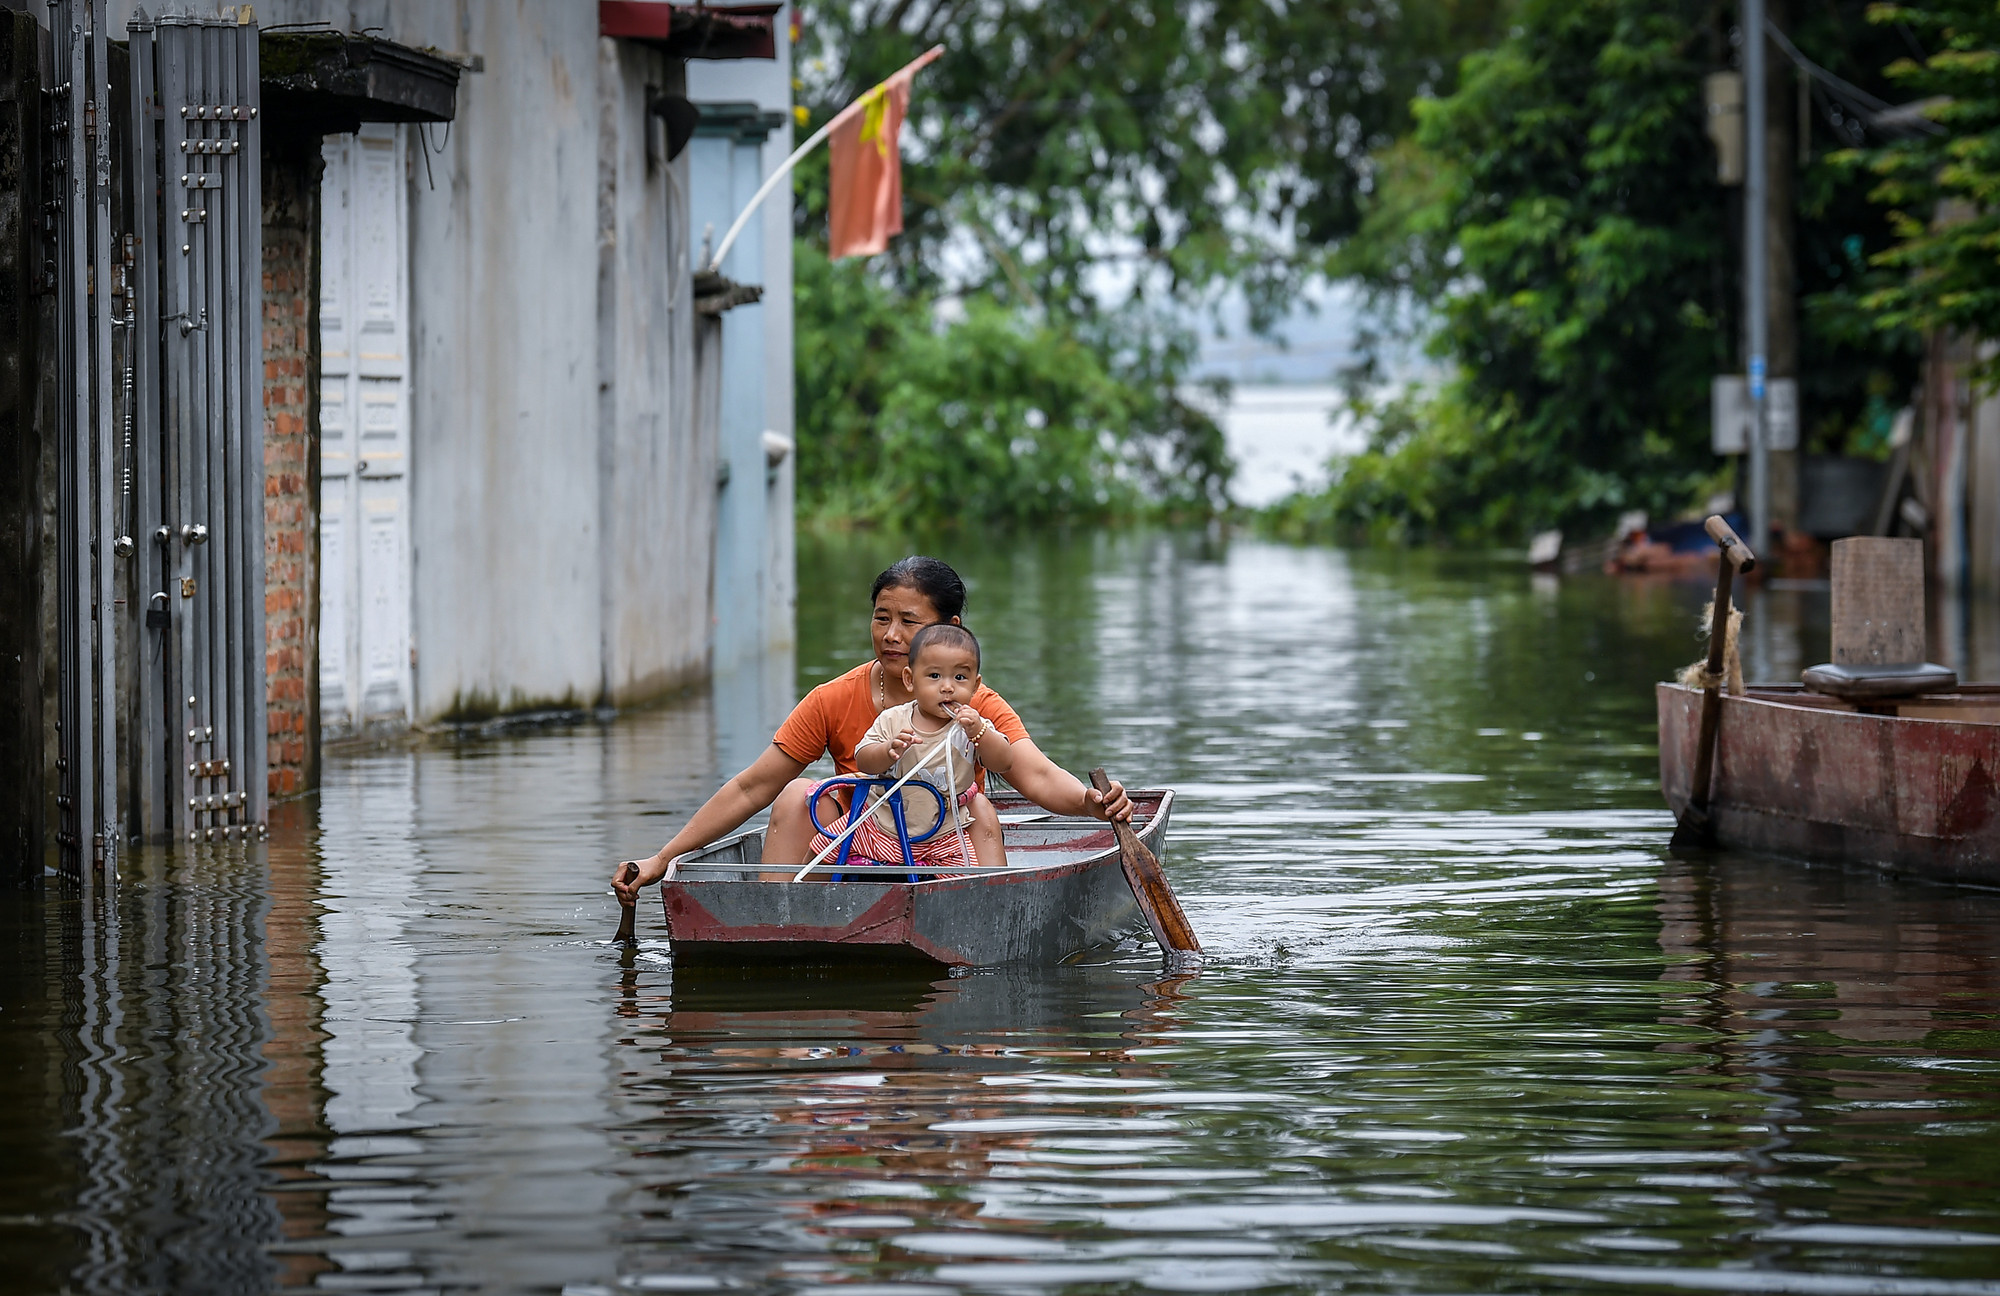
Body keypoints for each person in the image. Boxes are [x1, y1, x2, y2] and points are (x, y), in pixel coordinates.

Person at [612, 556, 1130, 904]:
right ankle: (773, 920)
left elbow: (1033, 773)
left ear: (947, 626)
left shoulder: (977, 704)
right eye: (882, 618)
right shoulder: (834, 698)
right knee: (795, 794)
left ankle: (982, 914)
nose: (891, 635)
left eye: (908, 621)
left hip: (943, 850)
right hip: (863, 848)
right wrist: (663, 858)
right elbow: (753, 786)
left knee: (982, 806)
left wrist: (1092, 804)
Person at [843, 622, 1011, 871]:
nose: (947, 687)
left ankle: (988, 897)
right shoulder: (894, 719)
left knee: (964, 882)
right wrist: (887, 750)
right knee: (826, 846)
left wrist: (980, 733)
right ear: (910, 680)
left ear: (975, 686)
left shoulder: (971, 726)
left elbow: (1004, 762)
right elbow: (863, 760)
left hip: (946, 831)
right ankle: (805, 895)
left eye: (960, 678)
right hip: (884, 823)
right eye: (934, 676)